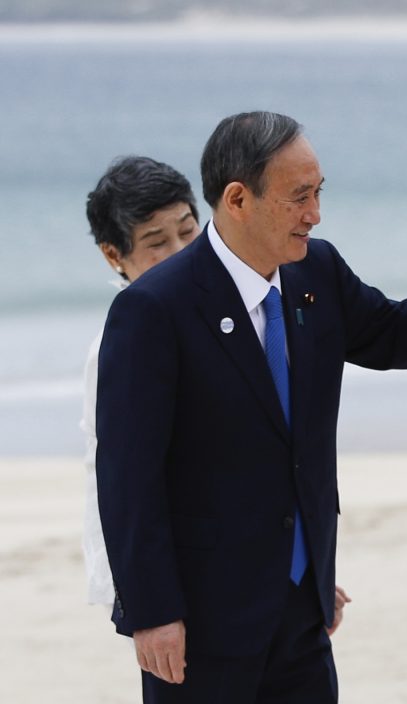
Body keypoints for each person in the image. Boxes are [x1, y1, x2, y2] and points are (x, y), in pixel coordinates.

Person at [95, 112, 407, 703]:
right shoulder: (154, 308)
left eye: (319, 193)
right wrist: (152, 612)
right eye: (300, 197)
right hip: (201, 625)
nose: (315, 213)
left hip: (302, 608)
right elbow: (126, 479)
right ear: (239, 199)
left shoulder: (315, 270)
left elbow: (392, 332)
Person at [82, 156, 202, 609]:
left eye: (188, 231)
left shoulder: (233, 312)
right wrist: (145, 603)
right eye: (156, 242)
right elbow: (120, 484)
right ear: (114, 255)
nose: (181, 252)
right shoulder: (117, 347)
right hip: (173, 583)